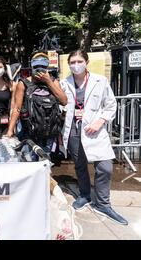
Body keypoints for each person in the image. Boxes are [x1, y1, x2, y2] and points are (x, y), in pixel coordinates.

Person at [60, 50, 128, 225]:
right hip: (74, 130)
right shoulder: (64, 83)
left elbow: (111, 105)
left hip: (94, 131)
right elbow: (62, 105)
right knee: (80, 166)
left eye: (79, 61)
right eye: (72, 62)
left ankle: (103, 203)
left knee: (105, 167)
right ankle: (84, 195)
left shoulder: (100, 81)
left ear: (86, 62)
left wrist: (100, 121)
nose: (76, 65)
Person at [6, 51, 68, 155]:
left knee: (45, 162)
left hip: (49, 132)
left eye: (42, 67)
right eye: (36, 66)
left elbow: (64, 101)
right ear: (32, 66)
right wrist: (10, 130)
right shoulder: (24, 83)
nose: (39, 69)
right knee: (29, 161)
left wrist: (48, 81)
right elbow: (17, 108)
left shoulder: (53, 81)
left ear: (47, 67)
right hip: (29, 132)